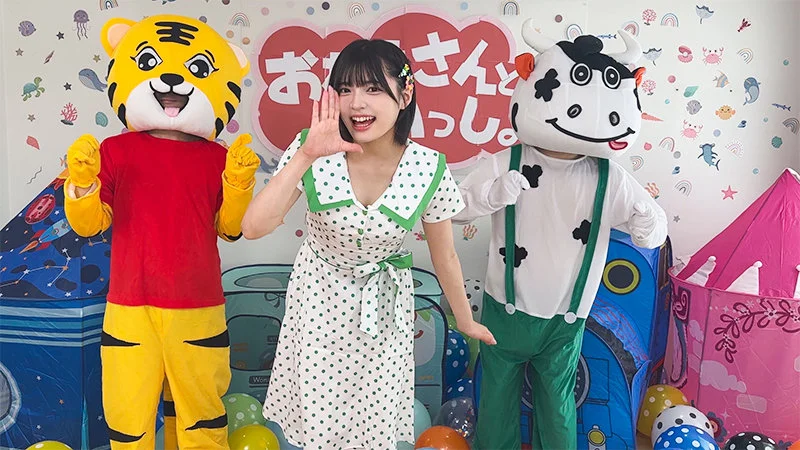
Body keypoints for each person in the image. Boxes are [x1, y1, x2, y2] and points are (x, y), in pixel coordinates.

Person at [242, 39, 496, 450]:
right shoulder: (313, 148)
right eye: (345, 89)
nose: (356, 103)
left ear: (405, 93)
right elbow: (254, 227)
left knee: (373, 424)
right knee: (320, 423)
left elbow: (445, 254)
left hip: (385, 311)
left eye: (373, 88)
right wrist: (306, 155)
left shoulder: (427, 166)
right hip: (318, 304)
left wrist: (465, 321)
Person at [452, 21, 668, 450]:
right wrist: (493, 194)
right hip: (504, 308)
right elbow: (452, 209)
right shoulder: (505, 162)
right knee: (496, 401)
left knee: (558, 405)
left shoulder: (608, 177)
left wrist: (647, 218)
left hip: (566, 319)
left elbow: (653, 236)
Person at [63, 15, 258, 449]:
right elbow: (89, 224)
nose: (172, 80)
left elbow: (230, 229)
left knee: (200, 415)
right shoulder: (115, 151)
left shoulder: (217, 157)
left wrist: (238, 184)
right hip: (131, 305)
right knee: (128, 415)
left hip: (198, 305)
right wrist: (82, 184)